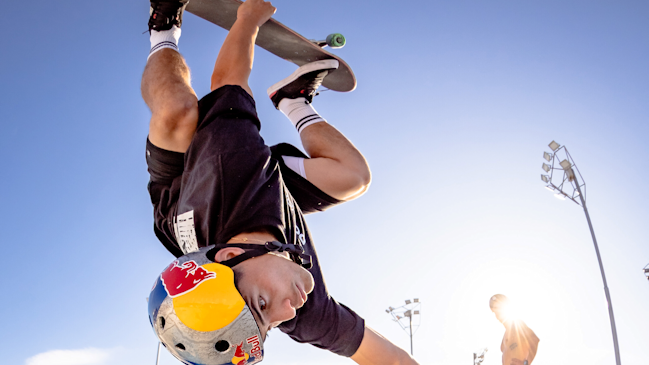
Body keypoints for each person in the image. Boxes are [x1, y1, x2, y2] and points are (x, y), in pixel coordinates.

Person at [141, 0, 419, 364]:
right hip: (269, 187)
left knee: (178, 114)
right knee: (354, 177)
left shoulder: (227, 169)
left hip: (184, 184)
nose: (286, 313)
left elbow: (227, 80)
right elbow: (392, 360)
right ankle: (294, 101)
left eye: (261, 304)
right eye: (268, 327)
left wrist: (249, 18)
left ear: (231, 256)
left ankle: (162, 28)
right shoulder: (307, 312)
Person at [489, 294, 540, 365]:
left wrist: (525, 363)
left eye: (498, 308)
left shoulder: (517, 325)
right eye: (494, 311)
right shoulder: (505, 336)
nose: (497, 314)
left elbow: (534, 339)